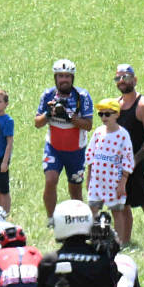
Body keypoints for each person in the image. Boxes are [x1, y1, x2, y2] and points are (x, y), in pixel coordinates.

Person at [36, 59, 93, 217]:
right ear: (55, 78)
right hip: (54, 148)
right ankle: (51, 218)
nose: (64, 80)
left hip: (76, 150)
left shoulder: (82, 96)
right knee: (50, 180)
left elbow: (88, 125)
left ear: (72, 78)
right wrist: (49, 114)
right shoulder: (48, 95)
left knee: (75, 188)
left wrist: (71, 117)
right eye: (60, 76)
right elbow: (37, 123)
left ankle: (80, 220)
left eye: (67, 76)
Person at [112, 64, 144, 250]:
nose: (122, 81)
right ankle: (124, 241)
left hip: (138, 164)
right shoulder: (115, 105)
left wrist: (134, 162)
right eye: (118, 78)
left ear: (135, 80)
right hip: (117, 164)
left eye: (126, 77)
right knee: (123, 204)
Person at [84, 101, 133, 223]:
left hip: (114, 182)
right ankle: (93, 238)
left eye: (107, 114)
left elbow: (128, 160)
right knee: (92, 210)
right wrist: (89, 177)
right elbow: (91, 155)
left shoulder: (123, 135)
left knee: (117, 213)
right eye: (101, 114)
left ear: (116, 114)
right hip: (97, 182)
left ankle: (119, 241)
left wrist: (123, 183)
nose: (103, 117)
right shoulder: (98, 132)